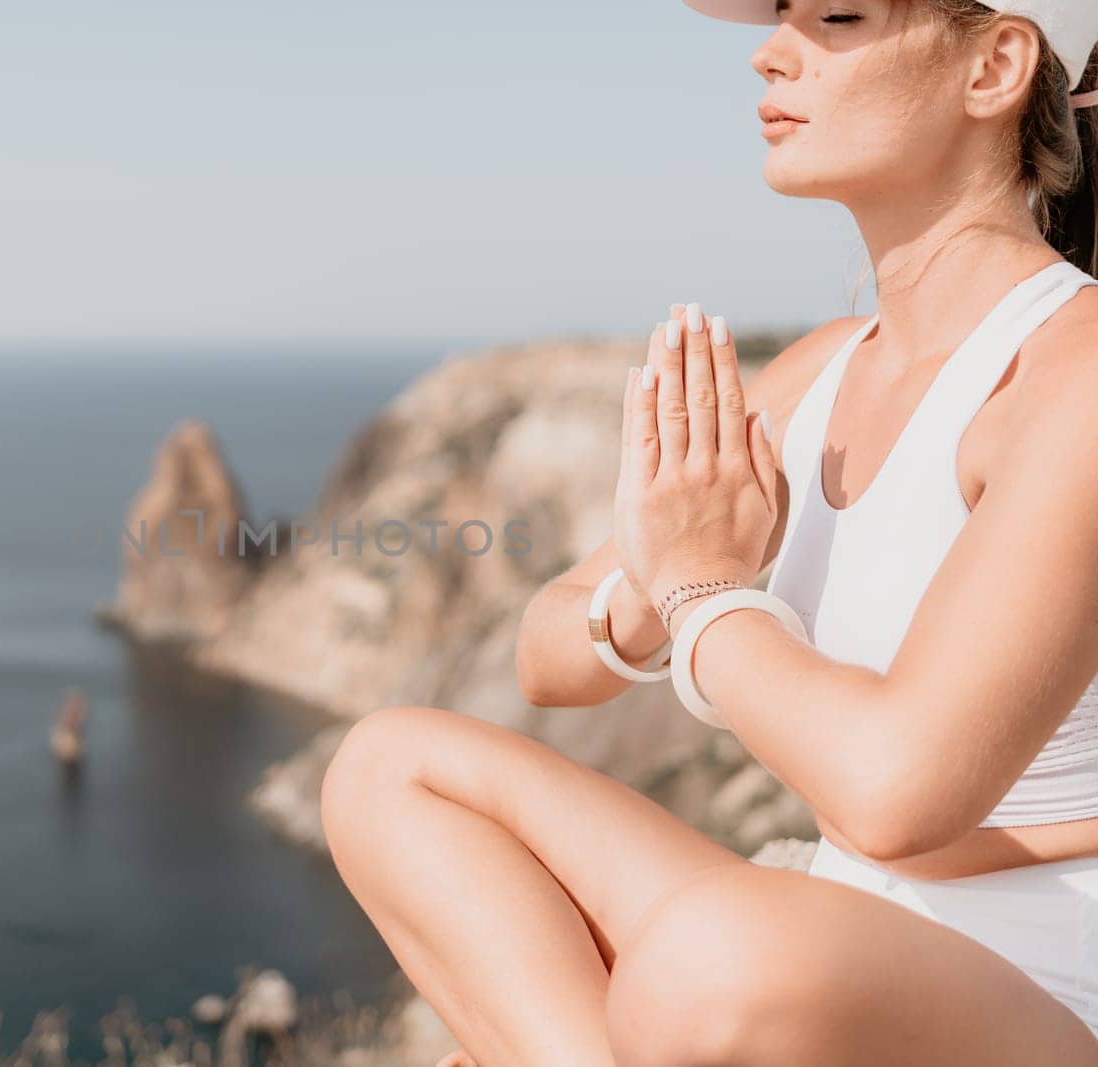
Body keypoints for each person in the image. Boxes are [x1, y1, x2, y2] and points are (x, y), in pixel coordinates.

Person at [319, 1, 1098, 1063]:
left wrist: (702, 584)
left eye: (836, 15)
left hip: (1045, 981)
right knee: (387, 766)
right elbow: (545, 656)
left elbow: (894, 791)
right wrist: (650, 586)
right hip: (829, 932)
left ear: (994, 64)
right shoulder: (823, 368)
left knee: (712, 954)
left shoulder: (1074, 371)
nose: (768, 51)